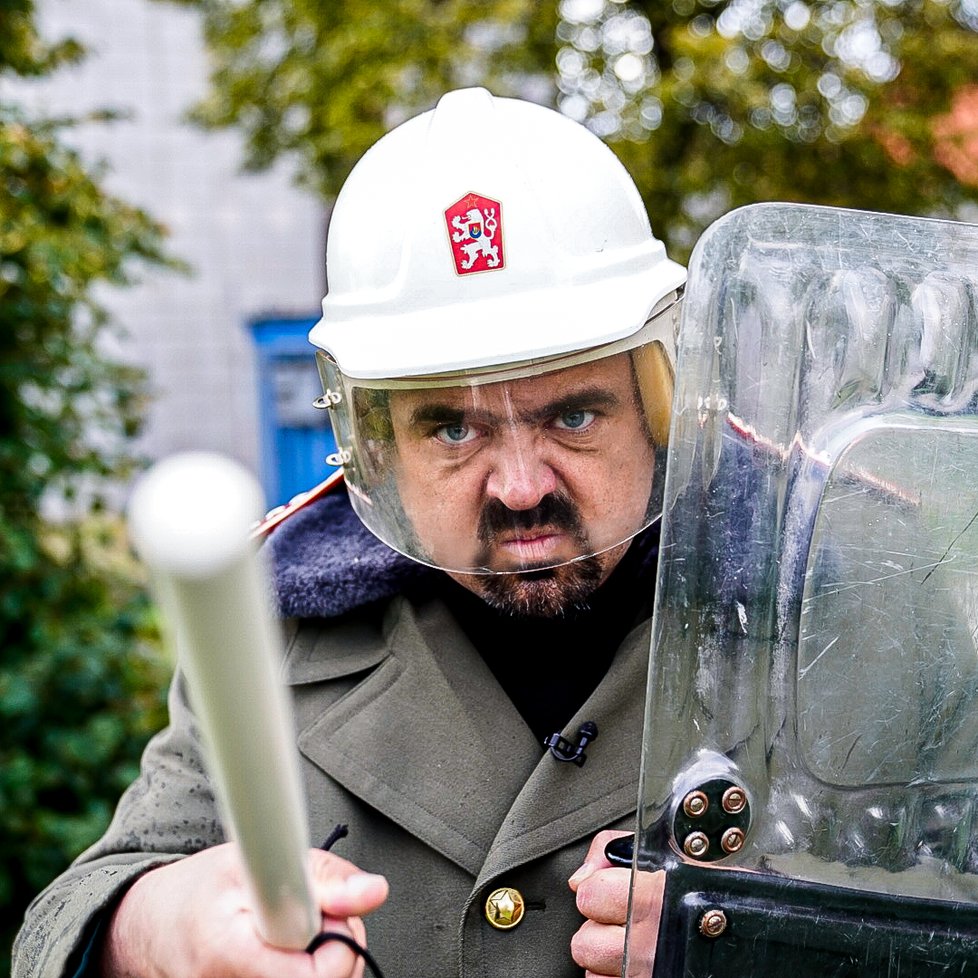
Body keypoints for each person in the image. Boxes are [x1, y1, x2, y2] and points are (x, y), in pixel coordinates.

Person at [13, 86, 686, 978]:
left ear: (658, 404)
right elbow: (61, 923)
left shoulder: (829, 618)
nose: (521, 489)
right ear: (376, 444)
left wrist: (771, 943)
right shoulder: (271, 639)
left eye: (574, 416)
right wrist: (160, 929)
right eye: (453, 429)